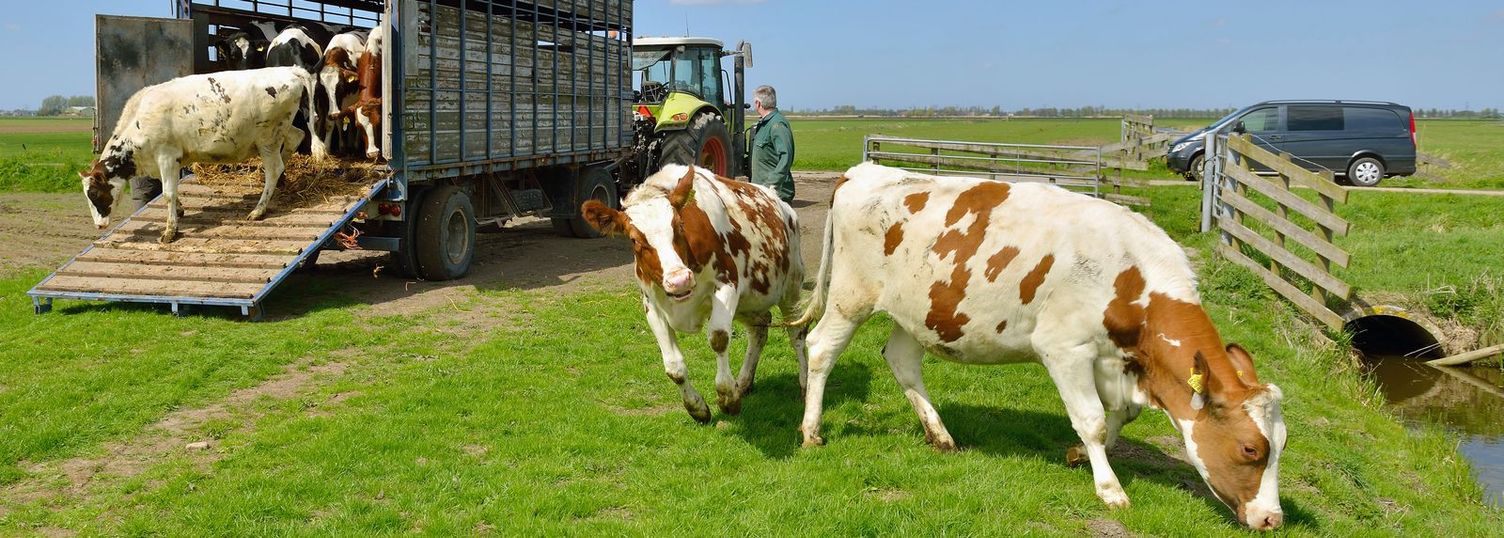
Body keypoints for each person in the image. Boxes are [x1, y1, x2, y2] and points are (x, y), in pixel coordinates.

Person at [750, 85, 795, 204]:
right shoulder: (765, 124)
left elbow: (786, 156)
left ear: (758, 104)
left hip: (775, 194)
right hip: (762, 191)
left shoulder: (777, 125)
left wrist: (772, 184)